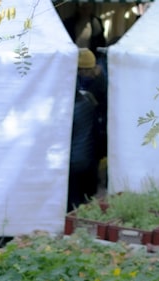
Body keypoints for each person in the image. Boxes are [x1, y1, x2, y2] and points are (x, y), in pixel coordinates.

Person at [68, 48, 104, 212]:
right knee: (83, 200)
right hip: (88, 158)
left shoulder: (72, 108)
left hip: (75, 160)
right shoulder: (88, 100)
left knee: (74, 201)